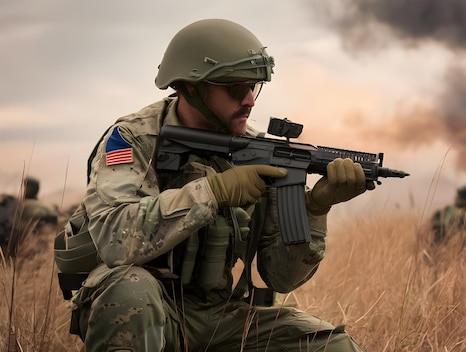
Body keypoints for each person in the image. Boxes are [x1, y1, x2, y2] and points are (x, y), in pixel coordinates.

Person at [64, 19, 367, 351]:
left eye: (255, 86)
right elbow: (113, 238)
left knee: (334, 346)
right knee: (129, 289)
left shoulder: (259, 149)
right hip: (153, 312)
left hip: (223, 315)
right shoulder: (133, 139)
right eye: (236, 89)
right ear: (191, 88)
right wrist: (214, 192)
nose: (250, 100)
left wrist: (314, 209)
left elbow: (281, 278)